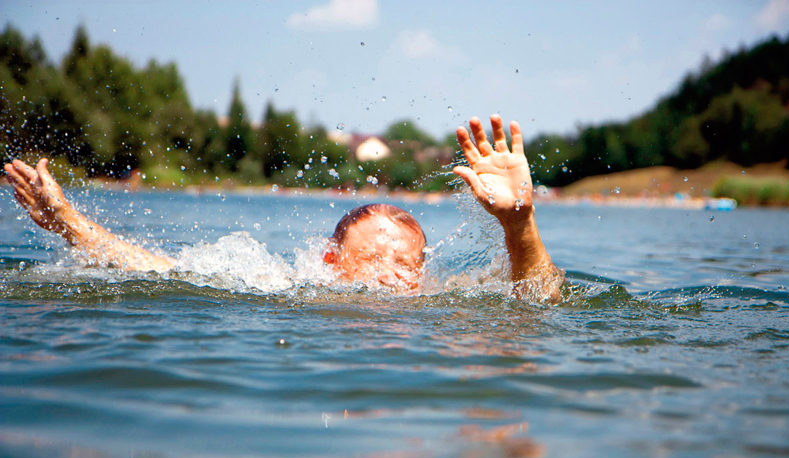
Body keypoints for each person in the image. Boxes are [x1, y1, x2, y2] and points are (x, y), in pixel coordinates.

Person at [3, 115, 563, 301]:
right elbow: (155, 270)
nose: (390, 279)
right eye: (371, 262)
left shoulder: (440, 303)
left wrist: (520, 224)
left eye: (404, 267)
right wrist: (67, 222)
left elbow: (540, 296)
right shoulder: (282, 283)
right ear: (327, 260)